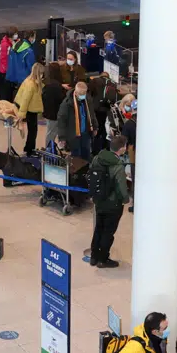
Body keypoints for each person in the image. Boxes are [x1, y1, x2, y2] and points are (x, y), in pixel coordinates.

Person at [88, 134, 130, 268]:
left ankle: (94, 257)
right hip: (113, 204)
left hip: (99, 200)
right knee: (108, 232)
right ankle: (103, 259)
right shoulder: (117, 165)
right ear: (122, 149)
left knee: (98, 228)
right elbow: (121, 186)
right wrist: (125, 199)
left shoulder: (97, 158)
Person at [13, 62, 45, 154]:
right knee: (33, 132)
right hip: (30, 110)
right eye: (42, 73)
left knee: (32, 131)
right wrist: (21, 114)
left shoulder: (29, 80)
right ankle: (30, 150)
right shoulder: (31, 85)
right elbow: (25, 100)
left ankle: (29, 148)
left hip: (30, 109)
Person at [56, 81, 94, 160]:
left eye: (84, 93)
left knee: (86, 153)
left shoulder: (88, 99)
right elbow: (61, 121)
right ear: (76, 93)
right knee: (76, 156)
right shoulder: (67, 104)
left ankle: (86, 170)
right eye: (81, 94)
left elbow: (91, 114)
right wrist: (62, 138)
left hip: (85, 133)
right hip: (73, 135)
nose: (83, 96)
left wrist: (95, 127)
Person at [40, 63, 67, 150]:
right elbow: (61, 99)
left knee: (50, 132)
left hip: (48, 111)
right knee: (53, 132)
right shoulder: (57, 85)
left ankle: (50, 148)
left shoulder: (46, 82)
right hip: (55, 113)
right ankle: (49, 149)